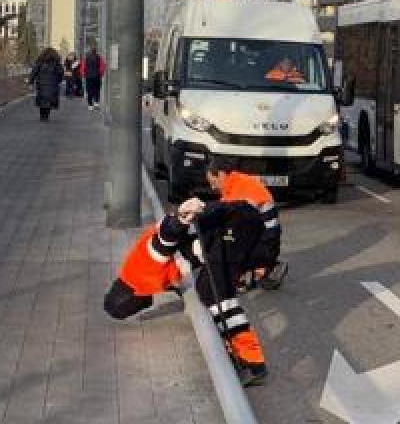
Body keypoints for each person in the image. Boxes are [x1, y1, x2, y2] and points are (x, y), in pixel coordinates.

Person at [104, 197, 270, 386]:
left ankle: (253, 363)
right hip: (227, 225)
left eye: (130, 310)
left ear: (129, 300)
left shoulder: (140, 271)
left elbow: (164, 239)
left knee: (214, 294)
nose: (138, 311)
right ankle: (239, 348)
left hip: (232, 225)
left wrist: (181, 218)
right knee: (210, 286)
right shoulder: (134, 277)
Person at [206, 164, 287, 290]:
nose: (212, 187)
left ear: (221, 174)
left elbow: (232, 221)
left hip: (266, 240)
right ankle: (261, 269)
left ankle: (262, 269)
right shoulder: (238, 182)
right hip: (267, 236)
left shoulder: (238, 191)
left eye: (213, 182)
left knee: (225, 242)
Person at [29, 47, 63, 122]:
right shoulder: (57, 63)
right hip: (53, 84)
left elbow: (34, 72)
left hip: (41, 84)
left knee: (42, 100)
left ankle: (42, 116)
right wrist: (58, 81)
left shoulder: (40, 62)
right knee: (49, 101)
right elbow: (61, 73)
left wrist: (31, 82)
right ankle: (46, 116)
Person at [81, 43, 106, 110]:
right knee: (97, 90)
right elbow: (102, 67)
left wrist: (84, 74)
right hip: (97, 77)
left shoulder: (86, 58)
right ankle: (96, 103)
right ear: (96, 51)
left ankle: (90, 105)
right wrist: (100, 74)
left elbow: (83, 67)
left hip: (88, 77)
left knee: (89, 91)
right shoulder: (99, 58)